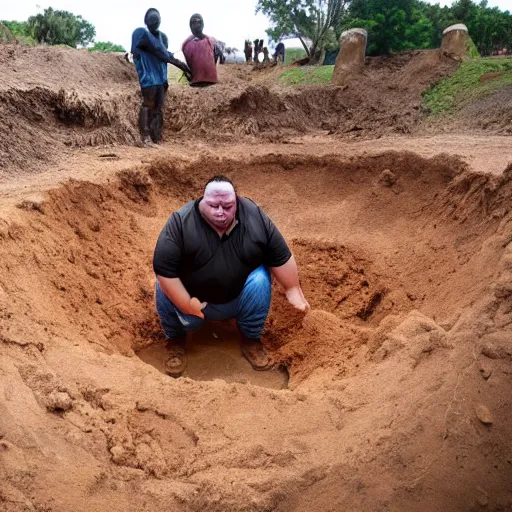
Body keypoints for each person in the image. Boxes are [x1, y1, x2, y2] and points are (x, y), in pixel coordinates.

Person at [153, 175, 309, 377]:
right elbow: (163, 267)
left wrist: (292, 289)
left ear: (236, 201)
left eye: (227, 206)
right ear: (202, 200)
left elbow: (279, 254)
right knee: (162, 282)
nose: (220, 212)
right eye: (213, 205)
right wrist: (184, 303)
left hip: (238, 297)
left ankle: (251, 339)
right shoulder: (180, 222)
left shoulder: (255, 217)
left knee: (261, 278)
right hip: (191, 303)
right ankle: (175, 340)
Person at [131, 8, 191, 146]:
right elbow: (162, 52)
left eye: (157, 19)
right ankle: (145, 137)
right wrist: (184, 67)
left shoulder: (160, 38)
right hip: (149, 78)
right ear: (146, 21)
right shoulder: (141, 34)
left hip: (160, 80)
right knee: (148, 104)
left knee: (158, 107)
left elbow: (164, 53)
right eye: (152, 19)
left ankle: (156, 135)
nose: (155, 21)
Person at [182, 14, 218, 87]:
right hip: (200, 82)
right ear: (190, 26)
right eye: (194, 23)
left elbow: (215, 57)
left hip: (207, 82)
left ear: (202, 25)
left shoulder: (210, 41)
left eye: (199, 22)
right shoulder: (186, 44)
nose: (197, 25)